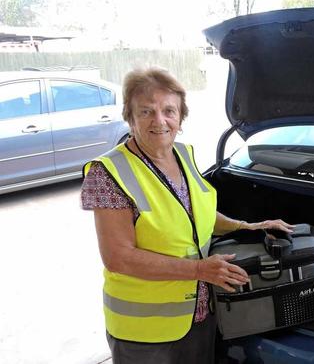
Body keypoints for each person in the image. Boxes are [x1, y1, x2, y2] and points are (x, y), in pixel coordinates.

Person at [80, 67, 293, 364]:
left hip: (199, 315)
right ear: (129, 116)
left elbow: (197, 215)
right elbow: (119, 257)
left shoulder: (183, 153)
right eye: (146, 111)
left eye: (169, 110)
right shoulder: (109, 173)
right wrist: (199, 270)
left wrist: (247, 226)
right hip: (145, 331)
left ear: (181, 118)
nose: (159, 120)